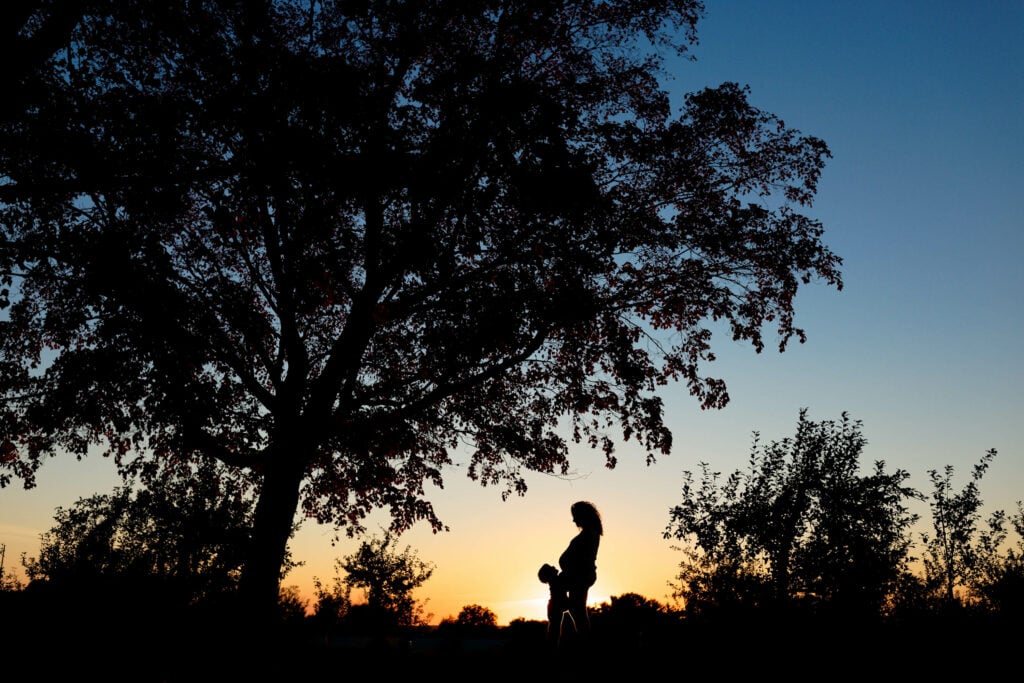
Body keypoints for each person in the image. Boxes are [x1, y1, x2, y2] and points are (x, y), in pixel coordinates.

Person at [538, 500, 602, 647]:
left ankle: (584, 647)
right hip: (576, 577)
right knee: (576, 613)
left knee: (578, 614)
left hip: (579, 578)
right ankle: (578, 646)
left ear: (583, 515)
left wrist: (570, 574)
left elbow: (585, 560)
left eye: (575, 516)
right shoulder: (589, 533)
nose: (573, 520)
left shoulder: (590, 534)